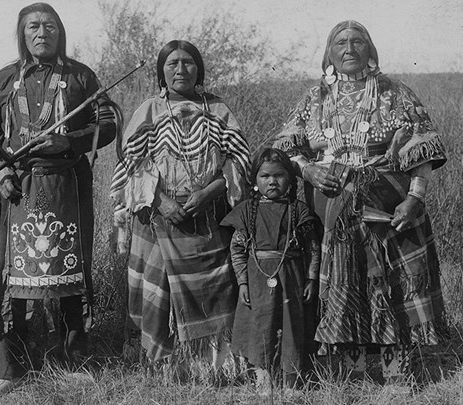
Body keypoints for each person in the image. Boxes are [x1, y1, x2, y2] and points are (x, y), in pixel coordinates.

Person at [274, 20, 448, 382]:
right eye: (340, 43)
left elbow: (422, 149)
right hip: (331, 204)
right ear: (329, 52)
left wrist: (415, 197)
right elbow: (287, 146)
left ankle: (395, 371)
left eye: (357, 41)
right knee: (344, 284)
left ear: (370, 49)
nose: (349, 49)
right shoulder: (314, 97)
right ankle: (353, 373)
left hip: (386, 201)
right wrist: (308, 170)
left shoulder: (394, 92)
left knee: (388, 283)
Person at [0, 3, 118, 399]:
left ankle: (74, 362)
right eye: (33, 27)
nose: (42, 33)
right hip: (18, 187)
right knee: (10, 276)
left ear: (61, 31)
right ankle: (12, 367)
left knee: (71, 272)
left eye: (50, 26)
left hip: (67, 185)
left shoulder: (80, 76)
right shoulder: (5, 79)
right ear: (22, 35)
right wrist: (1, 172)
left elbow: (107, 123)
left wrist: (68, 141)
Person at [110, 40, 251, 378]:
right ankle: (166, 365)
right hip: (158, 215)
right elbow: (131, 163)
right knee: (158, 288)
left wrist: (210, 191)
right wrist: (160, 200)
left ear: (198, 68)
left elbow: (239, 161)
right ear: (162, 70)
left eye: (188, 62)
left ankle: (211, 366)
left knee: (213, 287)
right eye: (172, 63)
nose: (180, 69)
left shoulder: (217, 109)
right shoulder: (149, 110)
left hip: (207, 215)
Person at [220, 148, 320, 396]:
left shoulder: (299, 210)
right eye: (265, 176)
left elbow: (313, 248)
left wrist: (311, 278)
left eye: (279, 175)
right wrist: (243, 283)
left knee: (291, 326)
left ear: (290, 178)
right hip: (257, 280)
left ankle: (292, 383)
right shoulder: (247, 211)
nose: (272, 181)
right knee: (260, 326)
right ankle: (263, 380)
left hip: (293, 278)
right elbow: (237, 249)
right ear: (254, 180)